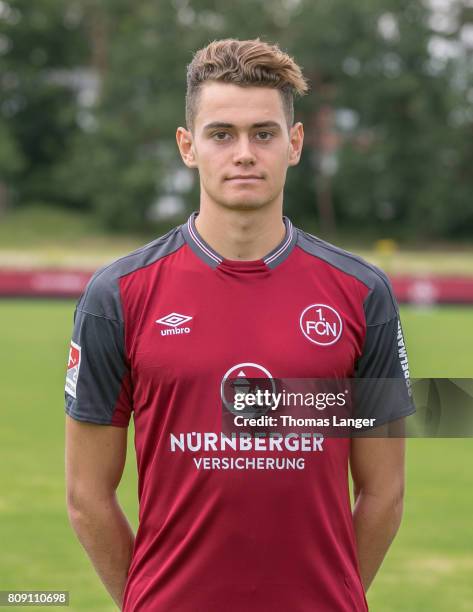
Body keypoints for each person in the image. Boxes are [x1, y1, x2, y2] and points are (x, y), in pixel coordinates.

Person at [65, 38, 415, 611]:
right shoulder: (117, 295)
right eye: (221, 134)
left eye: (264, 134)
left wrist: (334, 595)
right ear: (188, 146)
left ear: (294, 143)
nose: (244, 153)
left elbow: (384, 491)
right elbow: (86, 495)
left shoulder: (361, 293)